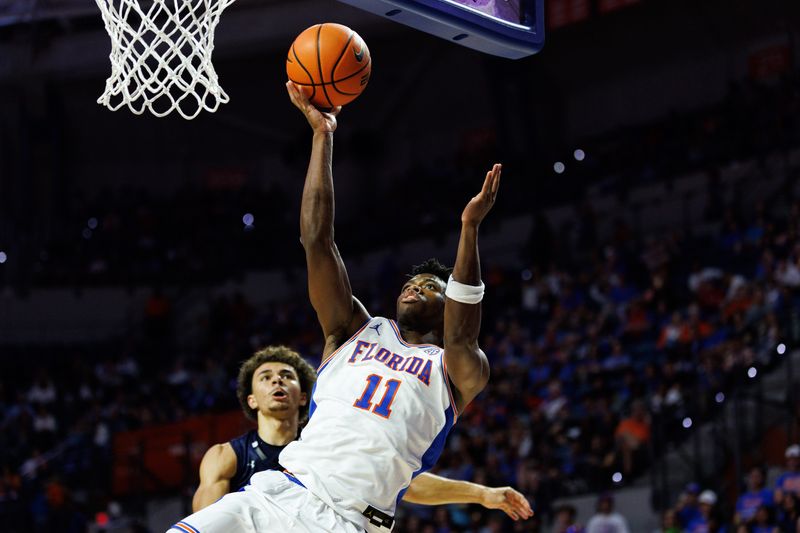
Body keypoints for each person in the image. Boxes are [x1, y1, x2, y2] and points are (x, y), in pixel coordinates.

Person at [169, 82, 503, 533]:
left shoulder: (458, 369)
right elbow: (317, 240)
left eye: (430, 287)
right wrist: (322, 136)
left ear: (449, 306)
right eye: (412, 281)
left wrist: (469, 228)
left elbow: (463, 330)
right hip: (276, 492)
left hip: (346, 520)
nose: (414, 287)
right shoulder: (354, 329)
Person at [192, 345, 532, 522]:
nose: (277, 381)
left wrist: (482, 495)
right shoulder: (227, 456)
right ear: (251, 399)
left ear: (305, 395)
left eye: (286, 375)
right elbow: (208, 519)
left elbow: (399, 481)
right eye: (265, 377)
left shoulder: (335, 443)